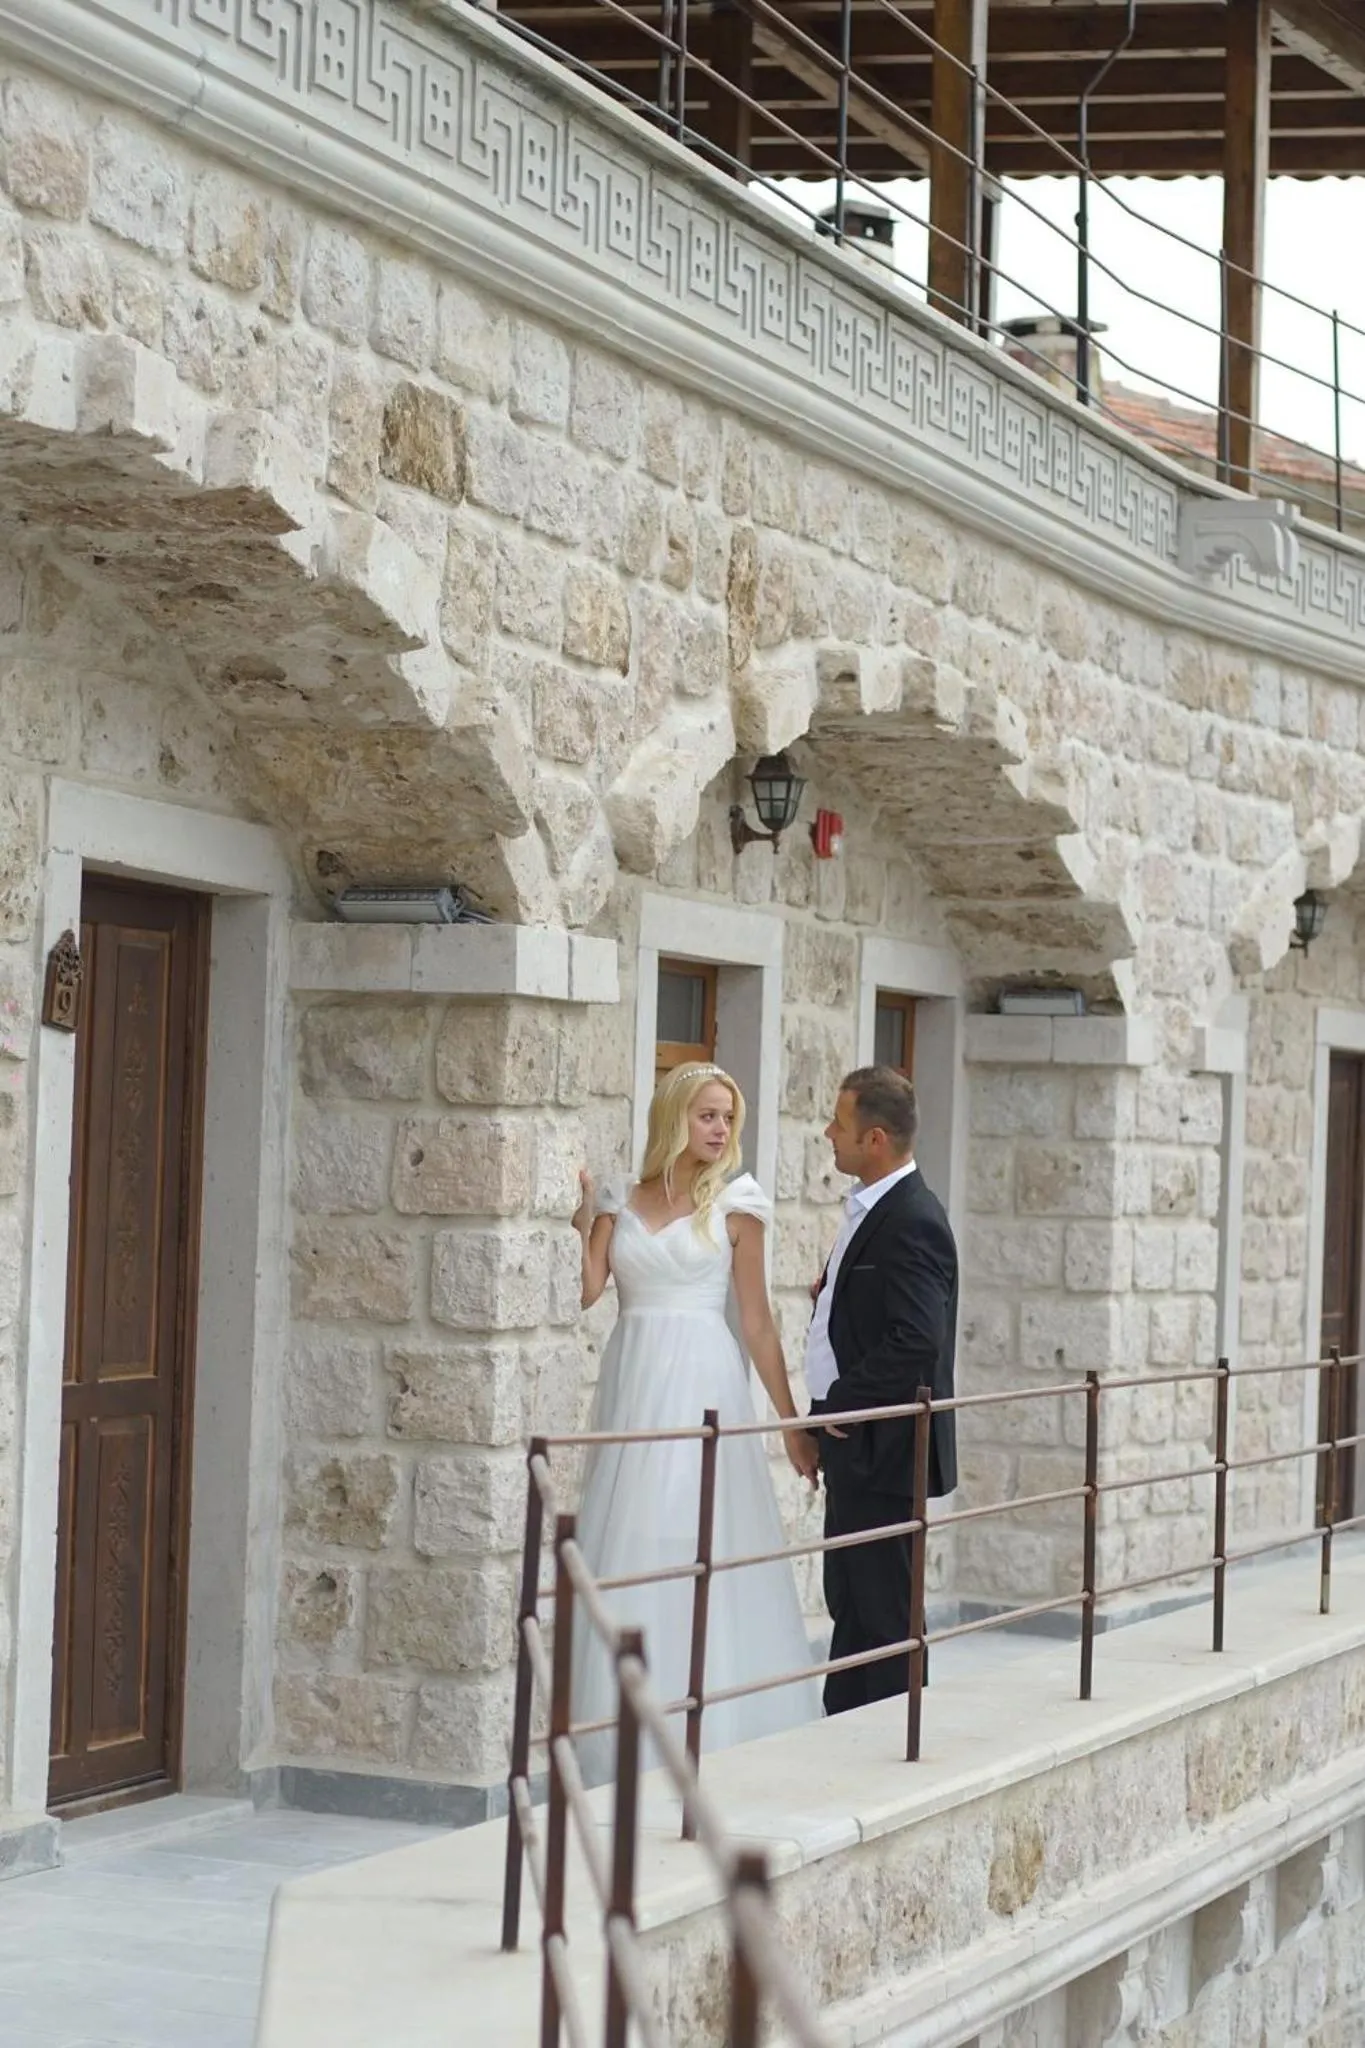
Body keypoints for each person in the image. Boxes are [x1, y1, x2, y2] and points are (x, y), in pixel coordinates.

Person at [570, 1063, 822, 1782]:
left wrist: (789, 1421)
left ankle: (705, 1720)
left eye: (726, 1119)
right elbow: (590, 1291)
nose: (718, 1131)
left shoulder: (737, 1204)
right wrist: (581, 1218)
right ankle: (623, 1729)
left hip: (702, 1379)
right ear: (675, 1117)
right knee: (629, 1539)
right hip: (634, 1373)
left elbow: (757, 1322)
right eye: (707, 1116)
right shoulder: (623, 1195)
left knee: (692, 1532)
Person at [805, 1066, 958, 1716]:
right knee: (850, 1603)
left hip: (883, 1450)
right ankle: (842, 1735)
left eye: (837, 1124)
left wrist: (840, 1407)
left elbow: (915, 1338)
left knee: (885, 1614)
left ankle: (896, 1744)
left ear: (872, 1138)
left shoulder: (911, 1218)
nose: (826, 1134)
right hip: (853, 1450)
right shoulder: (875, 1208)